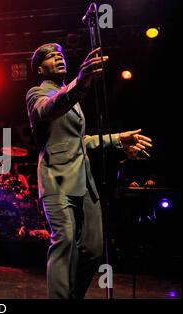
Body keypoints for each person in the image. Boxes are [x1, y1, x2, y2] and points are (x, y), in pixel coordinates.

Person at [25, 43, 153, 299]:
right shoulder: (36, 94)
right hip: (56, 178)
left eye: (60, 55)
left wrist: (118, 139)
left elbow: (80, 142)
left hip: (84, 180)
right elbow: (47, 110)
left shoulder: (71, 97)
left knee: (94, 249)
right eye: (51, 57)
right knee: (65, 242)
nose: (58, 58)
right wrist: (80, 83)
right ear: (40, 69)